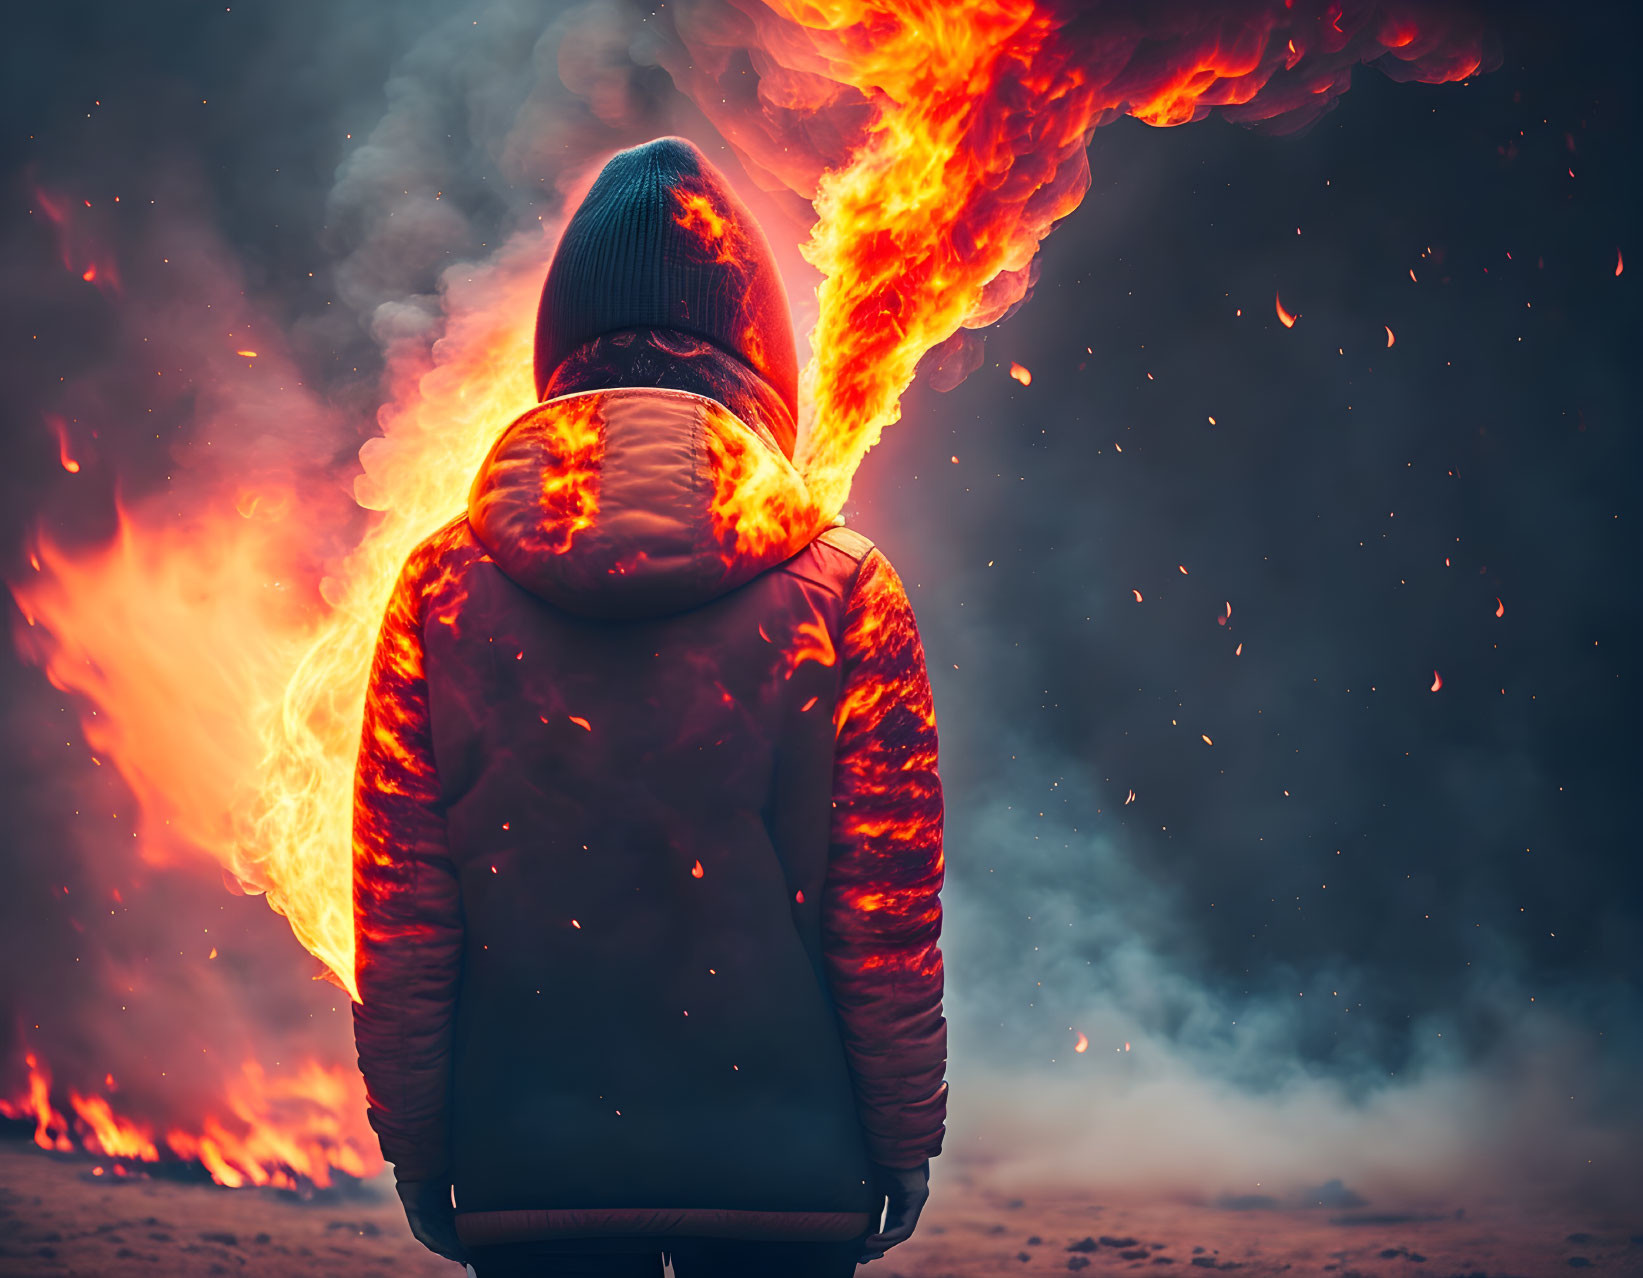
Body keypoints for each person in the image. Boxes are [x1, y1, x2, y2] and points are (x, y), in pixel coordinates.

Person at [351, 137, 946, 1278]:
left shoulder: (439, 591)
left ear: (555, 359)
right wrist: (900, 1137)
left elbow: (405, 925)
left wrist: (422, 1150)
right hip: (786, 1166)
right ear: (763, 366)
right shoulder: (846, 590)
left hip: (532, 1164)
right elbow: (883, 922)